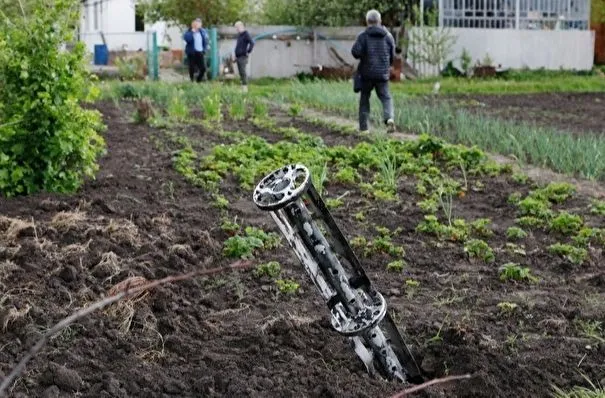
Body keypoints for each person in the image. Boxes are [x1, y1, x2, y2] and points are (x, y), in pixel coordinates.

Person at [351, 10, 396, 133]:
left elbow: (355, 53)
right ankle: (389, 119)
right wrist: (386, 65)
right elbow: (392, 56)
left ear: (367, 22)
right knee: (386, 98)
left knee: (364, 99)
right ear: (380, 21)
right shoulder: (388, 36)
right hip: (382, 75)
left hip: (366, 75)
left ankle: (364, 128)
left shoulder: (363, 36)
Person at [183, 18, 209, 82]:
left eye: (200, 24)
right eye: (197, 24)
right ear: (194, 25)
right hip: (192, 52)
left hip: (200, 52)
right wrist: (192, 32)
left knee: (203, 68)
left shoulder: (202, 31)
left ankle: (198, 81)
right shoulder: (189, 32)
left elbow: (205, 41)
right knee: (192, 68)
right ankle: (192, 81)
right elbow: (187, 39)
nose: (199, 25)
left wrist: (204, 49)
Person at [233, 21, 254, 93]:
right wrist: (235, 56)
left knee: (243, 71)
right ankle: (242, 87)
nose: (236, 29)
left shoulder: (246, 34)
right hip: (238, 56)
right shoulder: (239, 35)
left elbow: (252, 43)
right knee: (240, 72)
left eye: (237, 27)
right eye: (236, 28)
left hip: (243, 56)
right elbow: (238, 46)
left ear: (241, 26)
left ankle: (245, 88)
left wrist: (248, 51)